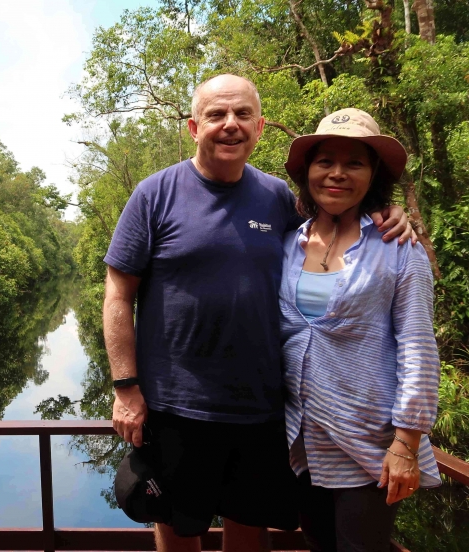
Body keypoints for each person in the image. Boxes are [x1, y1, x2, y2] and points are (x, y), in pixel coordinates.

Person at [103, 74, 414, 552]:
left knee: (249, 529)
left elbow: (334, 221)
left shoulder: (276, 199)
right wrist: (126, 387)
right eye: (216, 114)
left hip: (262, 409)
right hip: (174, 406)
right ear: (193, 126)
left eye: (243, 114)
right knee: (178, 527)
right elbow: (118, 295)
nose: (231, 125)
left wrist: (387, 211)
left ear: (261, 126)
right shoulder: (154, 194)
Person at [279, 108, 441, 552]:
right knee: (317, 543)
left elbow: (418, 347)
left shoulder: (399, 249)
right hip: (302, 440)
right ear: (307, 171)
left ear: (374, 176)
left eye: (354, 163)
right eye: (324, 161)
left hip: (369, 444)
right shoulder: (288, 244)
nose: (336, 174)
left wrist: (407, 442)